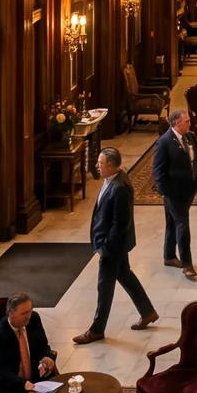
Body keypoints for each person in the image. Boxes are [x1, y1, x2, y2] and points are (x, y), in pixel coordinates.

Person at [74, 146, 157, 344]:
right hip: (114, 244)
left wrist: (107, 247)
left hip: (113, 247)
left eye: (100, 163)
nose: (97, 166)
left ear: (111, 166)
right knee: (125, 275)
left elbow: (121, 223)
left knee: (105, 287)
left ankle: (97, 329)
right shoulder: (112, 179)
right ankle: (148, 312)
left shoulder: (119, 188)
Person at [153, 107, 197, 280]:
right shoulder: (164, 142)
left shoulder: (190, 136)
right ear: (176, 123)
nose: (190, 123)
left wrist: (195, 180)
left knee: (172, 223)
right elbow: (158, 171)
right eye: (187, 121)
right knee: (182, 225)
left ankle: (169, 256)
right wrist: (165, 192)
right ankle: (187, 264)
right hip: (174, 192)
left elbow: (194, 160)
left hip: (188, 189)